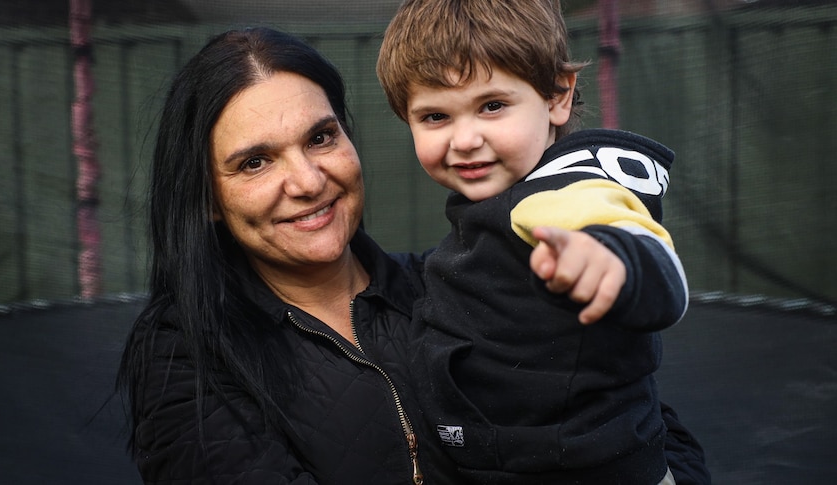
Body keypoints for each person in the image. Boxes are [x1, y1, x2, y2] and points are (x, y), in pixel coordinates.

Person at [116, 25, 707, 485]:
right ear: (209, 199)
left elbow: (642, 423)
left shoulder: (457, 282)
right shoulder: (185, 351)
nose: (307, 181)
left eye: (321, 137)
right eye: (255, 161)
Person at [376, 0, 708, 484]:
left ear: (557, 96)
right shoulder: (499, 205)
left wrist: (615, 263)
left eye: (492, 106)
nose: (464, 138)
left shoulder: (562, 195)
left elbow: (647, 257)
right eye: (434, 117)